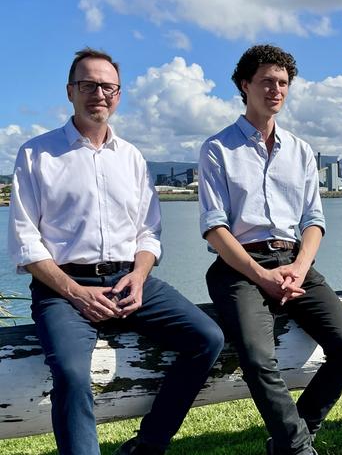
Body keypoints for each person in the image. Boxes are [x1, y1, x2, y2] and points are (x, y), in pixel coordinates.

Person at [8, 48, 224, 455]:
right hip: (63, 289)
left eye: (108, 86)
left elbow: (149, 232)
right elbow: (25, 241)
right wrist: (74, 291)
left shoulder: (132, 157)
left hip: (128, 280)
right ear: (70, 91)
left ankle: (148, 445)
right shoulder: (37, 154)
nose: (99, 94)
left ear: (119, 95)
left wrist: (140, 276)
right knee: (72, 373)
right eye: (88, 85)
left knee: (207, 338)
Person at [199, 44, 342, 455]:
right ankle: (297, 449)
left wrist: (298, 266)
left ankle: (293, 436)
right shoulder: (218, 149)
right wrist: (263, 277)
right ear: (244, 85)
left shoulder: (301, 150)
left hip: (295, 262)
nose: (276, 90)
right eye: (266, 82)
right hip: (240, 266)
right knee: (258, 357)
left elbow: (314, 220)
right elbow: (214, 228)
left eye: (283, 83)